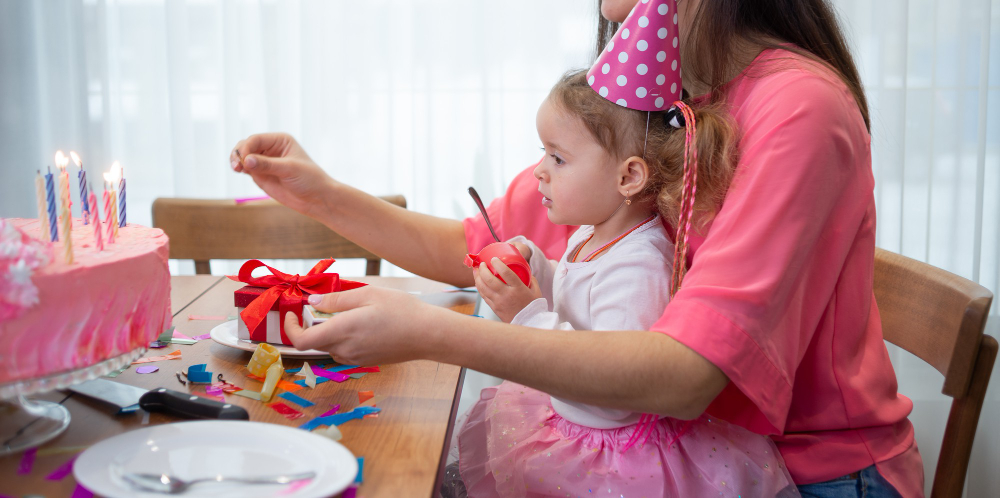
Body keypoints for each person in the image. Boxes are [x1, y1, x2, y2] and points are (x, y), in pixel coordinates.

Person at [230, 1, 923, 496]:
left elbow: (687, 376)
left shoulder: (798, 108)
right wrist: (318, 193)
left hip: (804, 474)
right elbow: (476, 248)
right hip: (663, 455)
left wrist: (432, 333)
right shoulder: (651, 98)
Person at [451, 67, 796, 496]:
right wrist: (537, 269)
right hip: (574, 419)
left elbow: (613, 395)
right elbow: (580, 294)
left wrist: (527, 315)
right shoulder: (594, 234)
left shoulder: (638, 266)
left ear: (628, 177)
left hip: (614, 456)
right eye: (544, 153)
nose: (539, 171)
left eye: (557, 158)